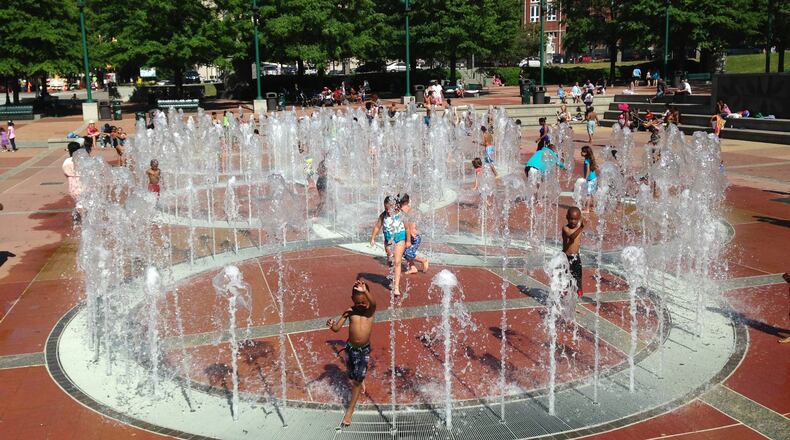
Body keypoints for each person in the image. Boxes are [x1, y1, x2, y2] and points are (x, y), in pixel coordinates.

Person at [326, 279, 377, 427]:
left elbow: (373, 303)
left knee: (357, 380)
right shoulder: (349, 311)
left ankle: (350, 411)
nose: (362, 305)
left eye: (364, 302)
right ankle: (359, 380)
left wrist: (364, 290)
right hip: (350, 349)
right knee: (351, 375)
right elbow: (337, 329)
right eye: (358, 302)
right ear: (352, 299)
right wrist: (332, 325)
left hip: (363, 350)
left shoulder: (370, 311)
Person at [370, 196, 406, 297]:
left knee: (397, 262)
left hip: (400, 240)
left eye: (388, 208)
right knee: (391, 261)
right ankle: (393, 276)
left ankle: (396, 287)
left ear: (394, 206)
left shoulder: (400, 214)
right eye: (385, 208)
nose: (387, 210)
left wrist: (408, 240)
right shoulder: (383, 215)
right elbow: (377, 226)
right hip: (388, 241)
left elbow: (408, 226)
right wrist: (373, 238)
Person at [399, 194, 429, 274]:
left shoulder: (411, 212)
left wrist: (413, 232)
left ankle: (423, 260)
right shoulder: (404, 211)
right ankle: (413, 268)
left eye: (402, 206)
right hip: (409, 236)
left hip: (414, 237)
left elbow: (411, 224)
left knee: (408, 253)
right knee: (404, 253)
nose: (401, 208)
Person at [562, 206, 584, 297]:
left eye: (575, 219)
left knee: (578, 274)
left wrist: (583, 221)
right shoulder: (565, 228)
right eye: (571, 219)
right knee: (566, 274)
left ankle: (579, 289)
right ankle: (564, 290)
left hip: (576, 256)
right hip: (566, 257)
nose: (573, 221)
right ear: (567, 217)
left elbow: (583, 218)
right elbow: (571, 237)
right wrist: (581, 227)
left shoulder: (579, 227)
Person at [62, 142, 83, 222]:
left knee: (79, 203)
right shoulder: (83, 160)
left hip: (72, 187)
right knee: (85, 204)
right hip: (83, 185)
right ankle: (84, 220)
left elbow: (65, 173)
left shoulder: (66, 161)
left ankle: (80, 218)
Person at [580, 146, 598, 213]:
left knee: (588, 195)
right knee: (593, 194)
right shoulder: (591, 159)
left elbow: (588, 170)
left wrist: (585, 178)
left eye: (583, 151)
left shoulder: (586, 161)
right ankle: (594, 207)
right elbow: (595, 167)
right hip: (594, 178)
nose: (581, 152)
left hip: (590, 180)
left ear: (586, 153)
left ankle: (587, 209)